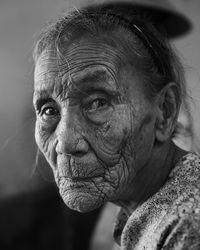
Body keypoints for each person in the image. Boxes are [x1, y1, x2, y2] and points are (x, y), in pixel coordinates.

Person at [33, 5, 200, 249]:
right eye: (49, 110)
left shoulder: (190, 223)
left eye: (98, 102)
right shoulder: (135, 207)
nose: (66, 143)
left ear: (165, 111)